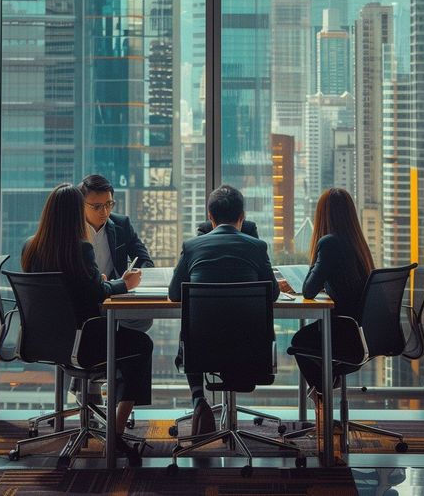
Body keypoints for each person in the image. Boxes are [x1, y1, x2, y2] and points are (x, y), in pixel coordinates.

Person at [21, 183, 153, 461]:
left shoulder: (31, 246)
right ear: (74, 213)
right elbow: (97, 293)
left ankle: (88, 402)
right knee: (141, 344)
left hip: (44, 341)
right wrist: (123, 285)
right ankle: (115, 433)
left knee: (121, 338)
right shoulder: (81, 248)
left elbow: (69, 289)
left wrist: (98, 283)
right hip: (82, 342)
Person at [169, 184, 279, 436]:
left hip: (201, 350)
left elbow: (175, 294)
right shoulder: (257, 247)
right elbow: (271, 294)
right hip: (250, 349)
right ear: (242, 217)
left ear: (210, 216)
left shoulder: (192, 246)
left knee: (192, 327)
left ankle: (199, 399)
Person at [288, 187, 375, 395]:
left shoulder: (329, 243)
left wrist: (316, 257)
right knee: (309, 337)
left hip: (345, 335)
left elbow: (308, 290)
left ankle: (322, 398)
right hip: (364, 333)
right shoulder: (358, 243)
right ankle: (324, 393)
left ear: (323, 215)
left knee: (299, 341)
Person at [78, 174, 154, 333]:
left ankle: (113, 347)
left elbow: (144, 259)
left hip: (113, 296)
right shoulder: (72, 230)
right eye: (97, 206)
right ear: (81, 204)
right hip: (82, 299)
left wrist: (139, 272)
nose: (104, 211)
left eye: (109, 204)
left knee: (144, 319)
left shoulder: (121, 224)